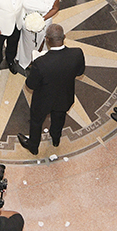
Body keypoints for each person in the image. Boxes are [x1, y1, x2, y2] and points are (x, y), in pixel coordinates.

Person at [17, 24, 86, 155]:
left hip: (43, 101)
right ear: (64, 37)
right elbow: (79, 72)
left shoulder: (40, 62)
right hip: (64, 97)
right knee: (59, 117)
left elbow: (30, 85)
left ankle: (33, 146)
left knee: (36, 121)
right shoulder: (77, 53)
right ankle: (55, 139)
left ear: (47, 39)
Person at [16, 0, 60, 70]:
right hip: (26, 21)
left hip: (44, 21)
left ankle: (38, 59)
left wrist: (42, 18)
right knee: (27, 42)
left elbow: (55, 8)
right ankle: (25, 59)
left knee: (41, 41)